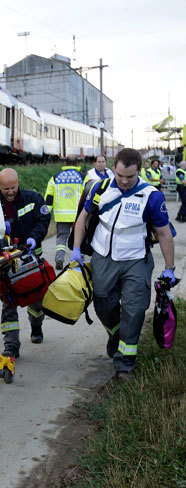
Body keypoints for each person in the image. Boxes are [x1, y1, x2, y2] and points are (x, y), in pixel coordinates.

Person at [71, 148, 176, 380]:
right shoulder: (100, 188)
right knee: (103, 305)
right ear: (113, 168)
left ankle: (125, 363)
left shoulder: (151, 196)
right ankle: (116, 336)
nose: (124, 181)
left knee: (135, 308)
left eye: (129, 176)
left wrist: (170, 268)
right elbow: (83, 218)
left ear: (139, 170)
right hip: (103, 256)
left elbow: (164, 233)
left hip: (136, 259)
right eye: (120, 175)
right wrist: (77, 249)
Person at [0, 168, 51, 357]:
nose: (10, 192)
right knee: (8, 302)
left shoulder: (33, 199)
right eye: (6, 189)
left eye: (13, 187)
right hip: (4, 263)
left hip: (30, 260)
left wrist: (34, 238)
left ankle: (36, 326)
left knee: (35, 299)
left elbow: (43, 220)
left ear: (19, 182)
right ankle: (11, 346)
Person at [44, 164, 84, 270]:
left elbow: (49, 196)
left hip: (62, 214)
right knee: (78, 236)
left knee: (61, 237)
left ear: (66, 163)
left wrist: (47, 211)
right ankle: (78, 258)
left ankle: (59, 259)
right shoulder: (82, 176)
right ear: (76, 164)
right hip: (78, 214)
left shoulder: (56, 177)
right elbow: (87, 193)